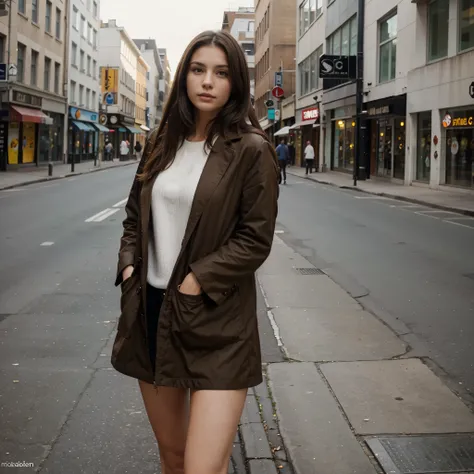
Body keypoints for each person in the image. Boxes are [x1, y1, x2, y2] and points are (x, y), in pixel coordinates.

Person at [112, 30, 279, 474]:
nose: (208, 81)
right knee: (174, 457)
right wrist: (130, 267)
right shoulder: (159, 144)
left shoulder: (251, 150)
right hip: (151, 313)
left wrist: (197, 279)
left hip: (216, 321)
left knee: (202, 467)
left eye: (221, 73)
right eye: (198, 69)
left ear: (235, 84)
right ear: (184, 77)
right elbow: (134, 218)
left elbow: (255, 238)